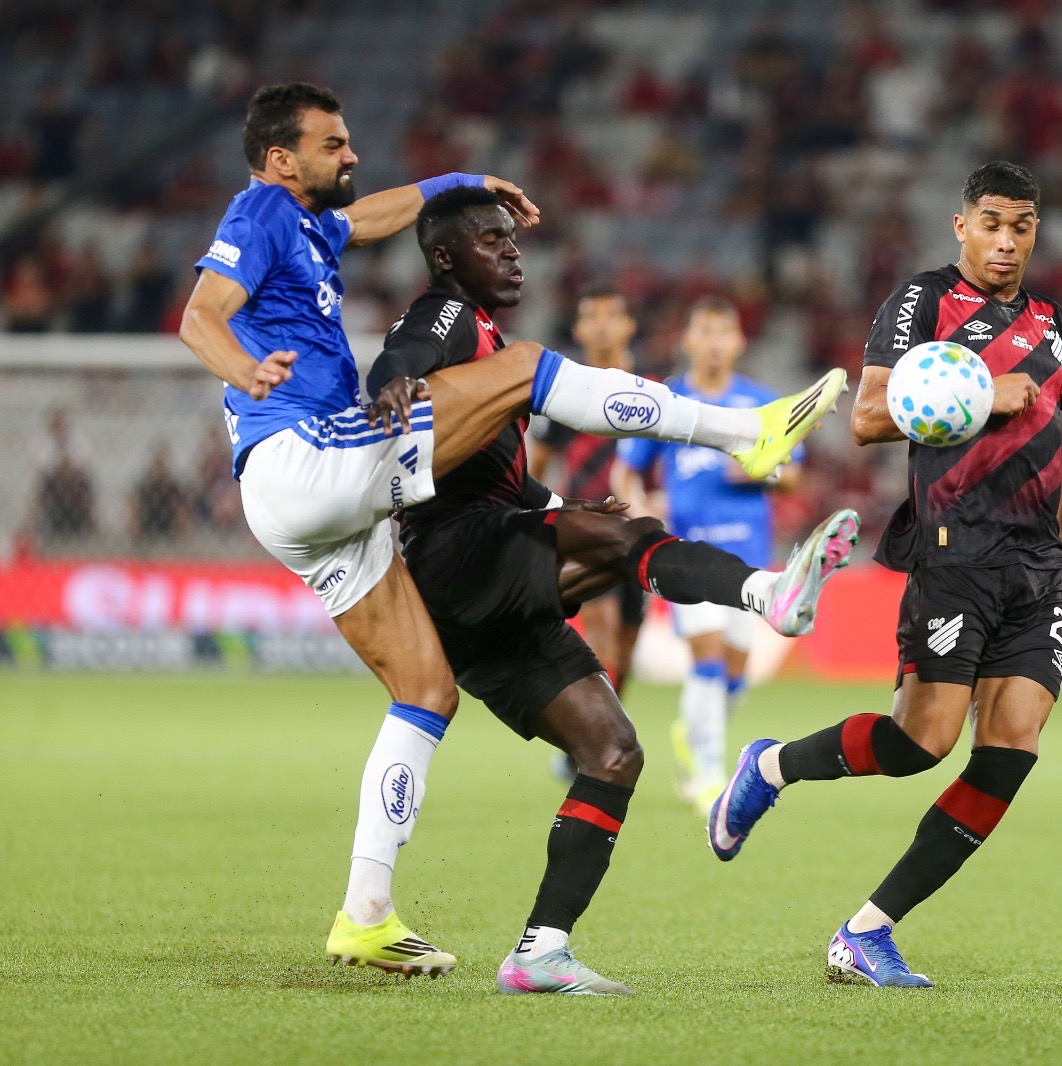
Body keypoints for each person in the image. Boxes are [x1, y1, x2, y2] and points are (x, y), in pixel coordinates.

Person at [177, 83, 847, 979]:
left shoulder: (314, 228)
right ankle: (744, 432)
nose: (352, 155)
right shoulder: (263, 209)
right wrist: (247, 372)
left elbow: (375, 216)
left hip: (310, 510)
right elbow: (200, 316)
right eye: (333, 144)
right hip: (304, 451)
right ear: (279, 160)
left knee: (427, 691)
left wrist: (456, 180)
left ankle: (366, 914)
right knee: (527, 369)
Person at [366, 186, 860, 995]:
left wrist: (558, 506)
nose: (512, 252)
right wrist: (391, 381)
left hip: (476, 591)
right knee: (631, 539)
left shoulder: (485, 337)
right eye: (491, 240)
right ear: (447, 257)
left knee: (614, 751)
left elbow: (503, 476)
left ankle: (541, 952)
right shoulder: (451, 316)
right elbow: (405, 351)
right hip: (456, 553)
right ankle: (768, 592)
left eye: (513, 240)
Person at [704, 160, 1062, 987]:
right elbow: (865, 417)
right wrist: (976, 395)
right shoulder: (923, 302)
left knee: (1012, 746)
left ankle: (868, 929)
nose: (1006, 241)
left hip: (1038, 564)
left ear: (1036, 231)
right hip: (954, 548)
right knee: (919, 743)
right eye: (991, 224)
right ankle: (770, 766)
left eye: (1021, 226)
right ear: (962, 226)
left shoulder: (1053, 325)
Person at [614, 297, 801, 814]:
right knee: (709, 658)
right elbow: (627, 470)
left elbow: (795, 474)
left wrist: (766, 471)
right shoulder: (668, 401)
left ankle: (694, 733)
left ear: (739, 341)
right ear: (688, 340)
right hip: (688, 555)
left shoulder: (760, 403)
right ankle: (709, 775)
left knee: (735, 673)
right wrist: (641, 507)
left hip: (749, 559)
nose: (715, 342)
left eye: (724, 332)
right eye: (705, 331)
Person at [529, 285, 646, 703]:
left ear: (629, 325)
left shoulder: (652, 388)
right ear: (577, 329)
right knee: (602, 634)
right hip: (586, 528)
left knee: (626, 653)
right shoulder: (565, 391)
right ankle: (596, 732)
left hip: (639, 528)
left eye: (611, 315)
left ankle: (605, 724)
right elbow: (537, 467)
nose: (601, 326)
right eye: (591, 317)